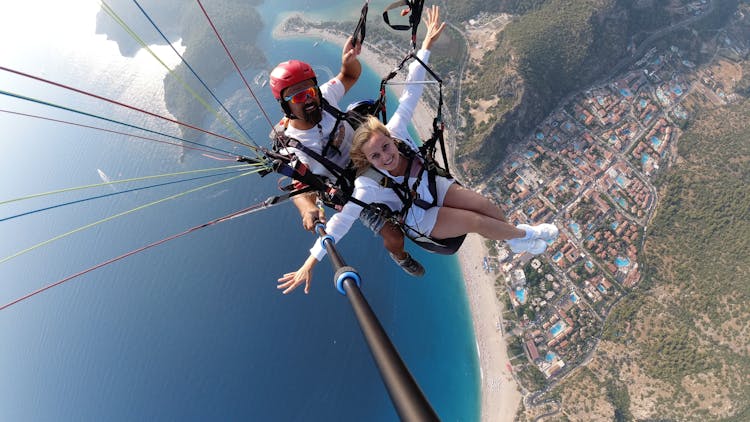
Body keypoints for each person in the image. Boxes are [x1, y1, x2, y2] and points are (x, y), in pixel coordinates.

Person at [269, 20, 424, 276]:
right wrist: (308, 209)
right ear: (284, 105)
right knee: (394, 236)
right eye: (297, 97)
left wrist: (348, 60)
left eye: (309, 91)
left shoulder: (325, 96)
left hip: (373, 158)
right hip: (351, 188)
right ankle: (400, 256)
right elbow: (300, 186)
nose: (308, 99)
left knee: (419, 187)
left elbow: (349, 75)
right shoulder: (289, 144)